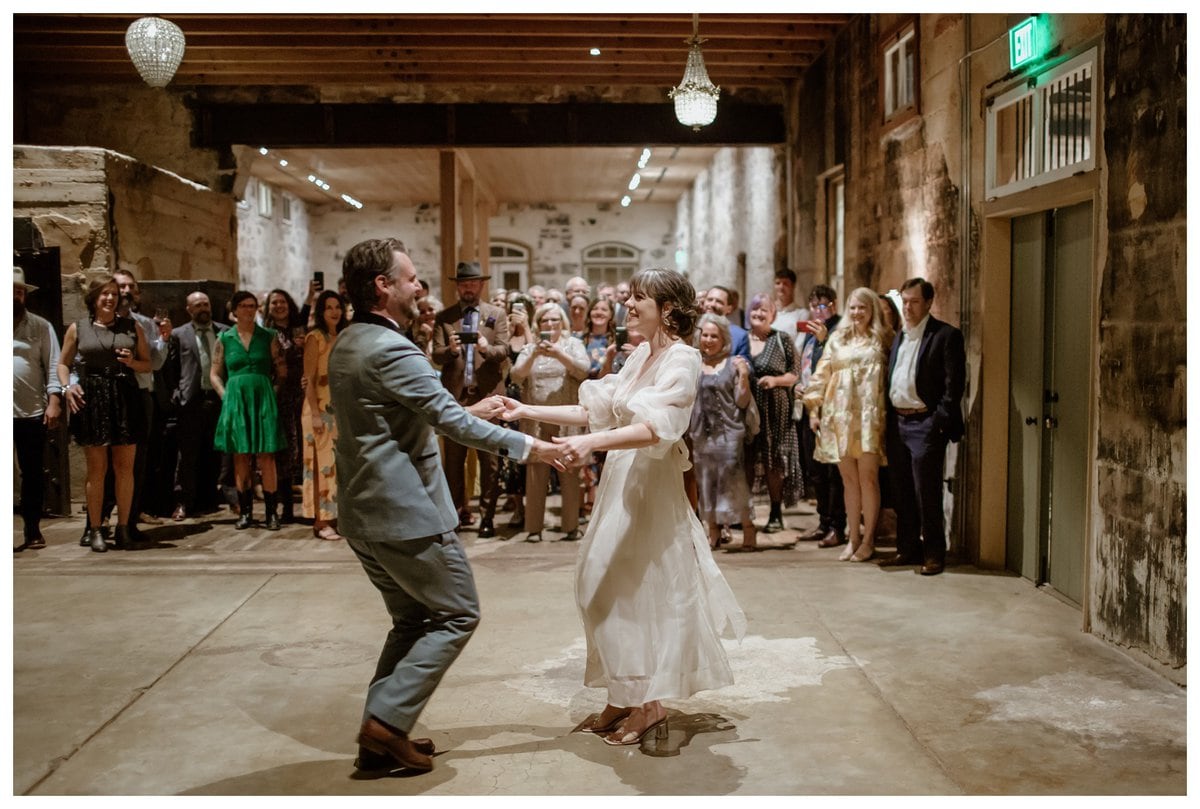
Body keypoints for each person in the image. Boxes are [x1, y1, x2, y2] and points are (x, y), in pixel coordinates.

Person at [327, 237, 563, 777]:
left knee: (411, 621)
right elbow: (450, 424)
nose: (419, 286)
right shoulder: (393, 348)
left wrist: (469, 406)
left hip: (365, 515)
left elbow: (410, 412)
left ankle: (380, 737)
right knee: (458, 613)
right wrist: (535, 447)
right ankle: (385, 723)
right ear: (383, 286)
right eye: (410, 278)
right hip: (405, 512)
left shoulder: (352, 340)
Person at [498, 267, 745, 747]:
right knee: (597, 585)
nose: (628, 307)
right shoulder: (637, 358)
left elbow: (657, 429)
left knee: (640, 593)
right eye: (629, 298)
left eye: (639, 299)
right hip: (622, 483)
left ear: (668, 310)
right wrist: (524, 412)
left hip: (651, 489)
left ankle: (649, 704)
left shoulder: (683, 359)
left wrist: (590, 443)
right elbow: (595, 409)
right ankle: (622, 693)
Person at [59, 275, 151, 552]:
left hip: (124, 394)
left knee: (125, 468)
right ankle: (96, 528)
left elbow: (147, 365)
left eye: (113, 294)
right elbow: (62, 364)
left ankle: (124, 528)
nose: (110, 298)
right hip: (93, 396)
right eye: (104, 294)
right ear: (93, 298)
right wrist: (67, 388)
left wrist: (132, 361)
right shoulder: (78, 328)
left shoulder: (132, 326)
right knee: (97, 469)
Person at [881, 278, 966, 576]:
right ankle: (907, 548)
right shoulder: (900, 336)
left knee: (926, 492)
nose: (907, 307)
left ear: (929, 303)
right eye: (904, 301)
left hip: (924, 423)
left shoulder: (945, 336)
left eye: (914, 302)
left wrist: (937, 422)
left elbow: (953, 387)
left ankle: (933, 553)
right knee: (901, 490)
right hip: (898, 422)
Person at [802, 287, 892, 562]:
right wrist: (813, 405)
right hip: (839, 417)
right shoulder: (837, 339)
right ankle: (852, 538)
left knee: (868, 479)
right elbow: (822, 373)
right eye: (853, 307)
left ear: (871, 310)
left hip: (868, 418)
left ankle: (868, 539)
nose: (856, 313)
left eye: (862, 308)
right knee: (848, 480)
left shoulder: (881, 339)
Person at [431, 261, 511, 538]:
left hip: (488, 396)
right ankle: (453, 516)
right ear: (458, 286)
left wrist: (487, 349)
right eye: (464, 283)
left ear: (481, 285)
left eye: (473, 283)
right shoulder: (444, 317)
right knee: (453, 462)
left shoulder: (496, 314)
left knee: (490, 463)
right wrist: (451, 350)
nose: (468, 288)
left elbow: (505, 351)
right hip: (455, 400)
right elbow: (435, 355)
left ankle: (487, 517)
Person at [510, 302, 590, 542]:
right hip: (536, 419)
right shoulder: (530, 347)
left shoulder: (573, 344)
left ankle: (571, 526)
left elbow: (583, 371)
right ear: (539, 324)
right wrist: (534, 353)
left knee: (569, 470)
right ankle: (533, 528)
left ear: (562, 322)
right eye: (545, 320)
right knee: (536, 472)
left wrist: (559, 354)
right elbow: (516, 375)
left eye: (555, 320)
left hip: (566, 418)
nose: (551, 324)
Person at [210, 290, 288, 530]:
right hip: (236, 400)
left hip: (262, 397)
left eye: (252, 305)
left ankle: (271, 512)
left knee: (267, 456)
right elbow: (214, 373)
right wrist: (226, 396)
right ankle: (245, 512)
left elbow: (281, 371)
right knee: (240, 455)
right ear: (234, 310)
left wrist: (271, 393)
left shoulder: (269, 336)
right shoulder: (225, 338)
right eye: (243, 305)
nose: (248, 309)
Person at [689, 313, 757, 552]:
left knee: (733, 483)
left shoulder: (733, 363)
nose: (708, 340)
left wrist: (744, 375)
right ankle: (713, 531)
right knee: (706, 483)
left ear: (723, 338)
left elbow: (741, 401)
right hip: (700, 435)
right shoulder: (695, 363)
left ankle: (748, 528)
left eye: (714, 336)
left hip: (729, 433)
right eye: (705, 335)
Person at [13, 267, 63, 551]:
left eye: (19, 292)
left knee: (32, 473)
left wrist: (54, 400)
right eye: (10, 291)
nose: (16, 296)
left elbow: (54, 365)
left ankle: (32, 529)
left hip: (30, 410)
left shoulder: (41, 326)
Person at [793, 285, 846, 548]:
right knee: (815, 471)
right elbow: (804, 365)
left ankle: (838, 526)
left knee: (832, 471)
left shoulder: (838, 331)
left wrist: (825, 339)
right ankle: (824, 521)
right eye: (814, 306)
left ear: (834, 306)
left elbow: (837, 365)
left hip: (829, 409)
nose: (818, 310)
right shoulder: (811, 332)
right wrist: (798, 386)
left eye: (823, 306)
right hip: (807, 406)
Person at [746, 293, 803, 533]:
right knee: (746, 461)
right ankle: (744, 513)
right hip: (746, 409)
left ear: (773, 315)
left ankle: (775, 512)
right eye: (755, 309)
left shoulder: (782, 339)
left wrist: (776, 380)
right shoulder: (740, 338)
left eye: (764, 310)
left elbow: (795, 373)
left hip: (776, 411)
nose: (758, 314)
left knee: (774, 463)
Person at [169, 291, 228, 520]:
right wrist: (176, 393)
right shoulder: (178, 334)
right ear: (189, 309)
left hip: (218, 398)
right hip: (191, 399)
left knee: (215, 452)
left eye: (206, 304)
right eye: (198, 305)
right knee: (188, 454)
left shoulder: (224, 331)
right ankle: (183, 501)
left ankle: (209, 499)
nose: (203, 308)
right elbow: (172, 367)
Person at [302, 290, 349, 540]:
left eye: (337, 307)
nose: (334, 311)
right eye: (329, 307)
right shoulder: (315, 338)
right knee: (322, 465)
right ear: (321, 311)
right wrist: (316, 414)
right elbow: (308, 379)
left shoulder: (342, 336)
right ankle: (322, 521)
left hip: (340, 408)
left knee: (339, 465)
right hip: (318, 408)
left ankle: (337, 516)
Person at [265, 289, 306, 524]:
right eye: (274, 302)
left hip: (300, 393)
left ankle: (307, 503)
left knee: (300, 447)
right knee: (283, 450)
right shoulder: (266, 333)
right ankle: (286, 506)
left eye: (282, 302)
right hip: (278, 395)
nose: (279, 306)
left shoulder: (298, 330)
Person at [702, 285, 751, 362]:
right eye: (710, 299)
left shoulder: (740, 336)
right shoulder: (691, 330)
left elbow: (747, 365)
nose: (712, 304)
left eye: (719, 302)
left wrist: (742, 364)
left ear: (729, 309)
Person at [770, 268, 809, 340]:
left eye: (785, 284)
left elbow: (801, 342)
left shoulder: (803, 314)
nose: (781, 287)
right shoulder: (769, 313)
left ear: (793, 286)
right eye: (778, 283)